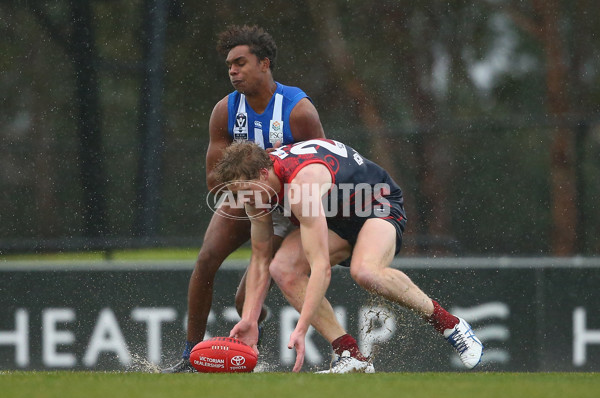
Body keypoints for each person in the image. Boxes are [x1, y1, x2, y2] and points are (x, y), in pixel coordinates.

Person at [163, 25, 367, 373]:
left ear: (265, 64)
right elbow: (214, 179)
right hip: (248, 199)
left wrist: (288, 203)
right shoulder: (225, 111)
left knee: (246, 297)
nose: (232, 71)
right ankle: (190, 355)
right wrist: (250, 192)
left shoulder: (298, 111)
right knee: (206, 259)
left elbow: (324, 168)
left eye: (240, 62)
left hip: (290, 206)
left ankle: (248, 348)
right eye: (229, 64)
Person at [218, 139, 484, 372]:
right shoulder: (256, 193)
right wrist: (250, 319)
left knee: (365, 272)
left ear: (264, 174)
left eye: (245, 192)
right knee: (283, 269)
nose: (243, 201)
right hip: (337, 218)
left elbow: (321, 266)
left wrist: (301, 328)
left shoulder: (302, 185)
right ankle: (350, 355)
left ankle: (452, 326)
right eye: (235, 195)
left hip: (376, 204)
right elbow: (261, 258)